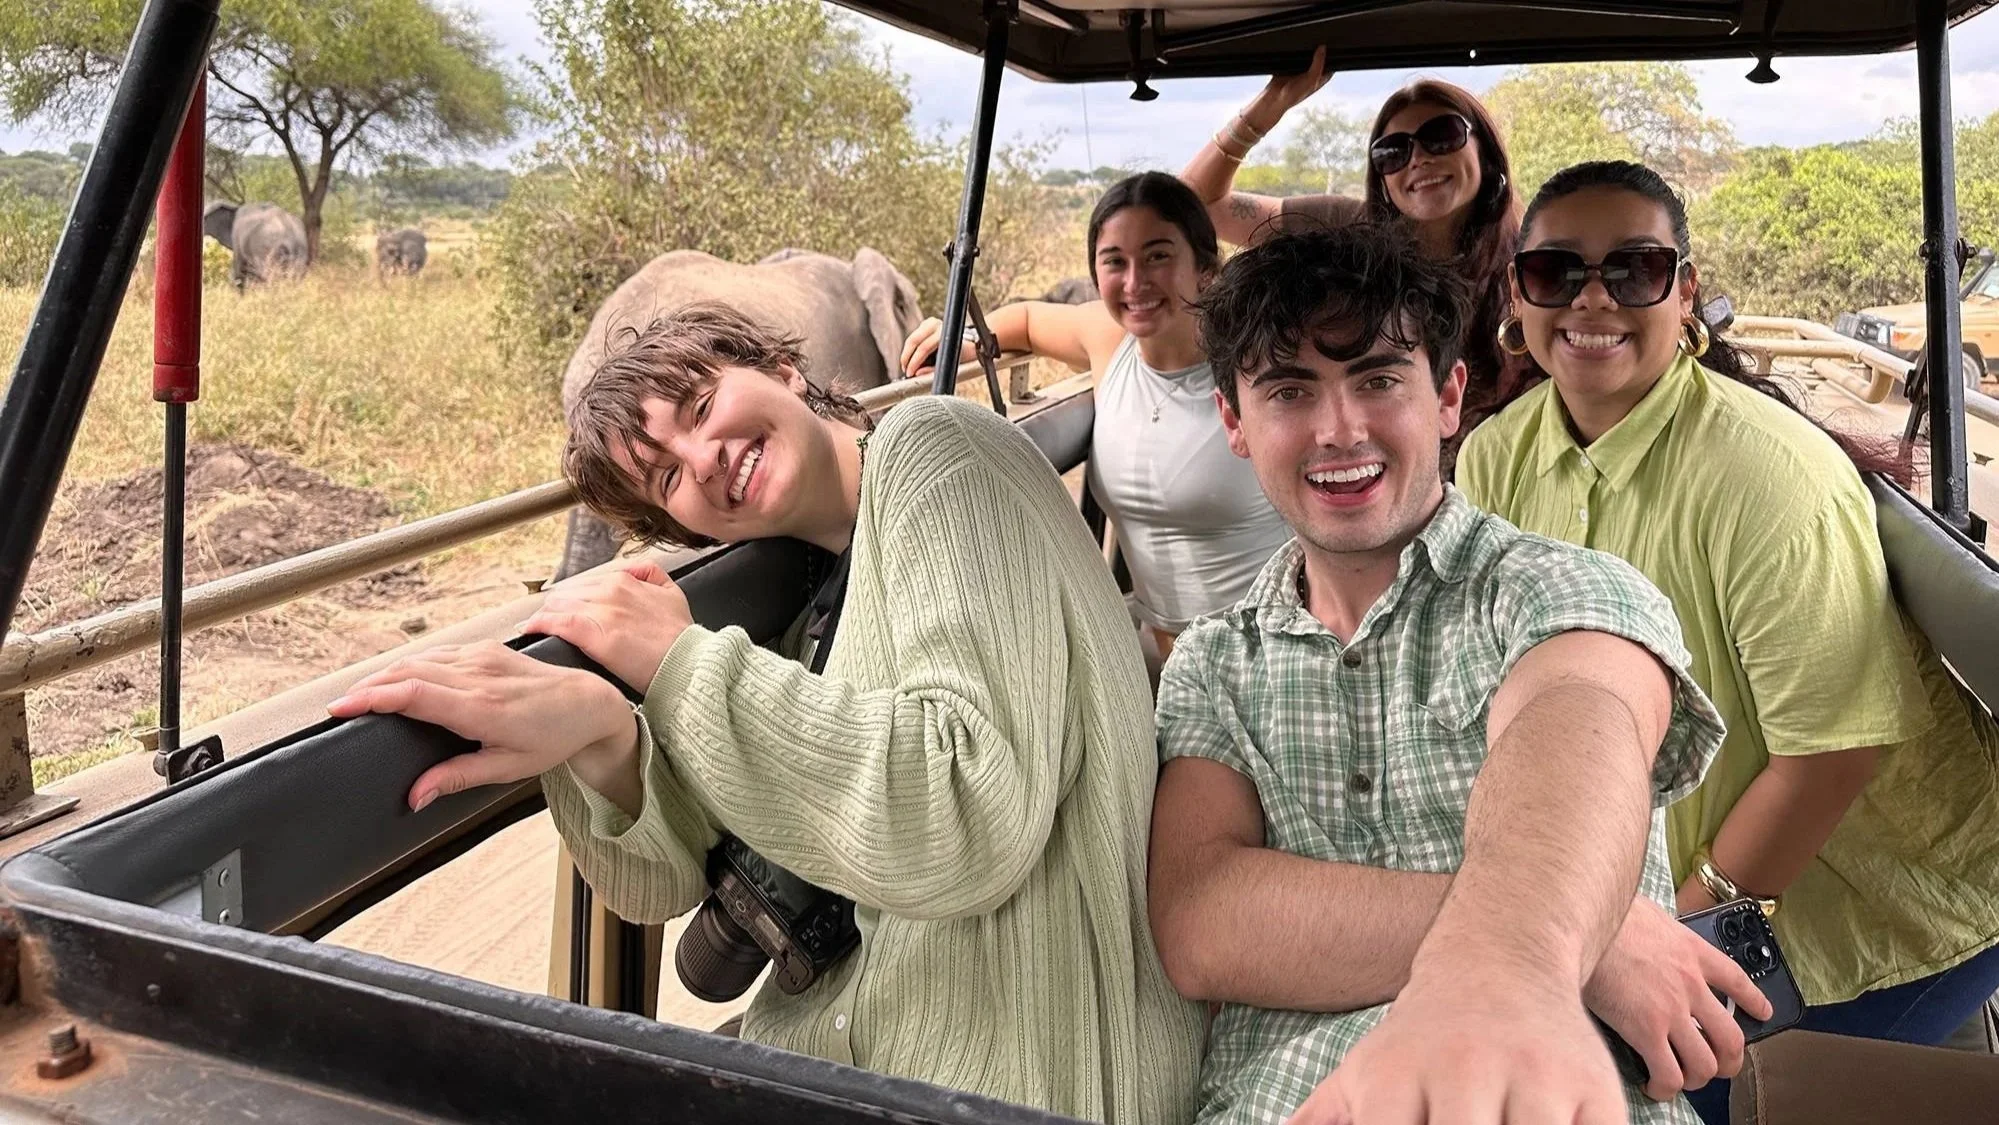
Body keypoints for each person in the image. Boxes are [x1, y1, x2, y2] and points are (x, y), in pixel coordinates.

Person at [327, 303, 1205, 1124]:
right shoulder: (805, 603)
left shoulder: (939, 449)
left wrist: (676, 661)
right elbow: (654, 889)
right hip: (868, 1060)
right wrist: (603, 738)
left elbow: (966, 810)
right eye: (667, 474)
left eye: (703, 405)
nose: (703, 456)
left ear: (783, 368)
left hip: (1025, 1069)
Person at [1147, 222, 1762, 1125]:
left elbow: (1577, 720)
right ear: (1235, 423)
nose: (1339, 428)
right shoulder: (1211, 661)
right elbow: (1203, 921)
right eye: (1289, 390)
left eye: (1377, 380)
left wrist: (1510, 971)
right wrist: (1592, 943)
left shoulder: (1559, 589)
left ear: (1446, 397)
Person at [1456, 159, 1999, 1124]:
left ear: (1685, 291)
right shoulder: (1500, 453)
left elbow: (1831, 753)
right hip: (1642, 869)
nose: (1593, 300)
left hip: (1875, 904)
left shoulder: (1765, 476)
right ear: (1517, 292)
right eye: (1555, 272)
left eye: (1634, 269)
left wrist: (1670, 927)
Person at [900, 172, 1290, 666]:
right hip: (1177, 666)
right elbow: (1024, 319)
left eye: (1158, 256)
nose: (1134, 282)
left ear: (1207, 271)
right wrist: (961, 335)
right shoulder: (1109, 340)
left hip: (1277, 652)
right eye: (1114, 262)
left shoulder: (1256, 361)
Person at [1181, 45, 1531, 460]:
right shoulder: (1349, 231)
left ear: (1486, 154)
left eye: (1442, 136)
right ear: (1381, 177)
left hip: (1507, 480)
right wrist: (1273, 104)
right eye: (1392, 152)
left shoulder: (1537, 258)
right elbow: (1195, 204)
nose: (1418, 159)